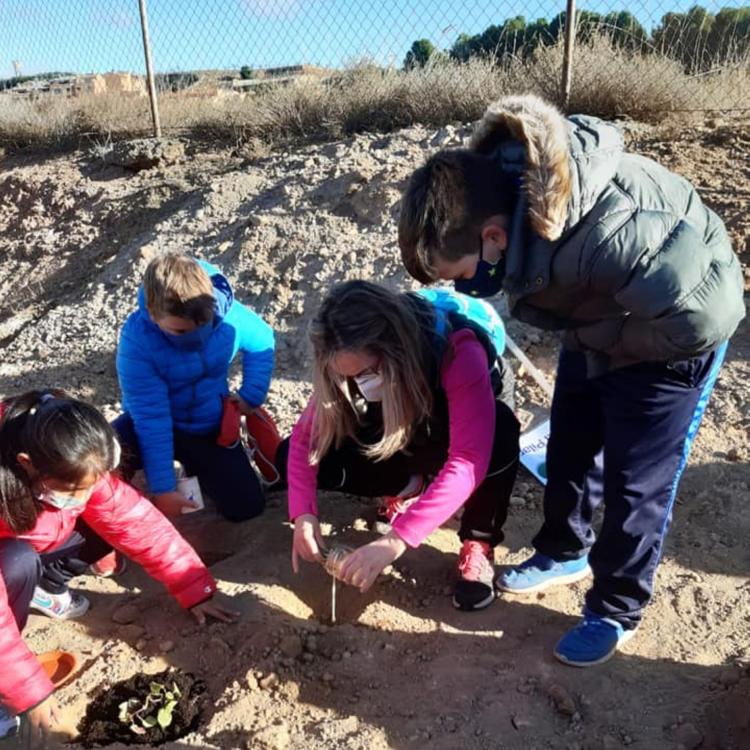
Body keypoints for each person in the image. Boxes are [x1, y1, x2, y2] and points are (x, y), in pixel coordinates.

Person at [397, 93, 745, 666]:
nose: (460, 289)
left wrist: (615, 356)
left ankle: (617, 606)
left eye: (458, 275)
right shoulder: (519, 213)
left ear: (492, 238)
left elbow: (706, 316)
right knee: (572, 444)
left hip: (678, 333)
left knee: (637, 481)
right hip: (606, 321)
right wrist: (595, 343)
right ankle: (564, 549)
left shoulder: (613, 235)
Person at [0, 390, 237, 747]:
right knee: (15, 562)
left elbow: (138, 525)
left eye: (90, 487)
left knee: (103, 521)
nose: (83, 498)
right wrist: (26, 691)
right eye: (72, 490)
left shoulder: (69, 456)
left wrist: (194, 587)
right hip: (13, 550)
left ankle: (46, 585)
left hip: (36, 535)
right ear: (26, 463)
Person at [280, 280, 520, 611]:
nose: (360, 384)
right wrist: (303, 514)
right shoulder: (347, 363)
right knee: (300, 455)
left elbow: (467, 461)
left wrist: (395, 541)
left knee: (501, 435)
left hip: (454, 412)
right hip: (401, 417)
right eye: (349, 377)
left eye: (365, 372)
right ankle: (410, 487)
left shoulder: (459, 351)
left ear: (393, 349)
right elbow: (306, 439)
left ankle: (478, 540)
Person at [114, 252, 275, 522]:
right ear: (154, 315)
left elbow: (261, 340)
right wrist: (163, 488)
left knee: (247, 508)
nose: (197, 338)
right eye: (180, 331)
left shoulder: (226, 313)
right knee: (101, 459)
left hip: (207, 424)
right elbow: (152, 418)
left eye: (204, 325)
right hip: (150, 424)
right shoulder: (138, 342)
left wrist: (251, 396)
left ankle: (205, 466)